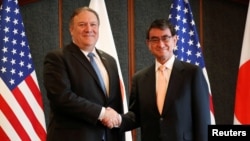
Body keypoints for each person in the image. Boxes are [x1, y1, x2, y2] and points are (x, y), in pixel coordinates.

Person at [104, 19, 211, 141]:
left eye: (165, 38)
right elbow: (135, 116)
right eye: (154, 39)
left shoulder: (192, 73)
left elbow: (203, 120)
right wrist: (118, 119)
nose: (160, 44)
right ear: (148, 44)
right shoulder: (139, 79)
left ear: (175, 40)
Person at [43, 6, 123, 141]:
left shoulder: (110, 61)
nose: (89, 29)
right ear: (71, 29)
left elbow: (115, 104)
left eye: (93, 24)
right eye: (82, 25)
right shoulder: (57, 58)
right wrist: (102, 113)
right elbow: (62, 98)